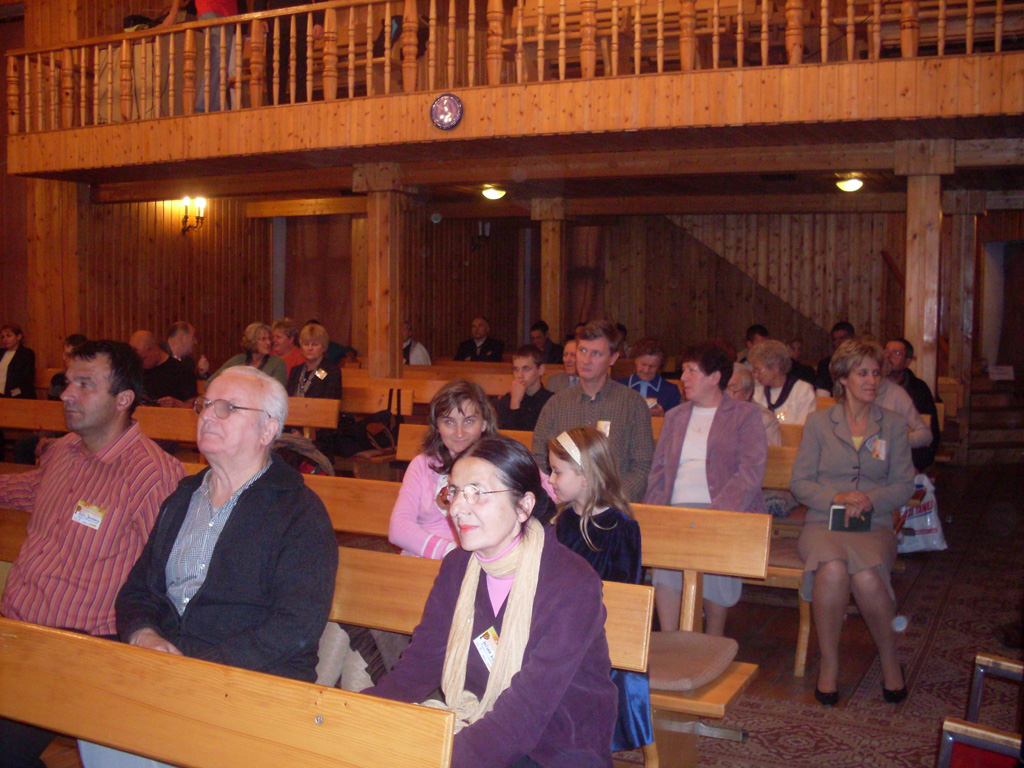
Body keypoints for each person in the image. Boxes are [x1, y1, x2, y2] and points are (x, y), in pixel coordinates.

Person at [78, 366, 337, 767]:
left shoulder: (299, 512)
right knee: (92, 714)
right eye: (205, 405)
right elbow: (138, 591)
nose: (208, 416)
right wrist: (144, 635)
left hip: (253, 682)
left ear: (267, 430)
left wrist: (196, 668)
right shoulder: (183, 497)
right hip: (168, 673)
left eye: (227, 408)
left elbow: (295, 627)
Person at [367, 437, 617, 768]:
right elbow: (421, 662)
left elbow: (526, 711)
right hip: (479, 725)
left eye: (477, 492)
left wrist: (438, 758)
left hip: (555, 750)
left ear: (524, 506)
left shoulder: (571, 584)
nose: (457, 508)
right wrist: (357, 715)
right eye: (455, 492)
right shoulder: (458, 566)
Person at [0, 340, 184, 766]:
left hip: (79, 648)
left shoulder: (153, 475)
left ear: (123, 400)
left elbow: (168, 578)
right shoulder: (64, 451)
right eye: (68, 382)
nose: (66, 394)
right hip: (15, 629)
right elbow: (26, 489)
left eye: (85, 385)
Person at [790, 339, 915, 707]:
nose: (872, 380)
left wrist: (869, 499)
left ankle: (889, 658)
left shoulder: (893, 425)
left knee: (865, 577)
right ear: (842, 378)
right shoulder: (818, 423)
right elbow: (800, 483)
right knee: (831, 570)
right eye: (862, 373)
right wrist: (838, 497)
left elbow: (904, 485)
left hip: (874, 524)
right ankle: (829, 662)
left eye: (876, 373)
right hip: (823, 523)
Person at [643, 341, 768, 636]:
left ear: (714, 377)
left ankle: (713, 638)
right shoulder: (675, 416)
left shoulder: (744, 415)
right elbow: (658, 472)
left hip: (724, 509)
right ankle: (671, 640)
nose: (683, 377)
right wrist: (655, 513)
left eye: (691, 371)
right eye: (683, 370)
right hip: (675, 509)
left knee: (713, 550)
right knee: (666, 559)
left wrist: (716, 513)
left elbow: (750, 471)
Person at [547, 427, 652, 753]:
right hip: (563, 627)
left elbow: (625, 595)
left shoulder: (621, 527)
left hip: (605, 635)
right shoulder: (562, 522)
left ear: (585, 476)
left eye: (557, 471)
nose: (550, 479)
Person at [533, 321, 654, 502]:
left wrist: (610, 502)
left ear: (613, 358)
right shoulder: (556, 405)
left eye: (596, 353)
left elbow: (642, 467)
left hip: (613, 504)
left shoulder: (632, 404)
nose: (586, 360)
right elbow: (540, 459)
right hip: (564, 504)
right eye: (582, 351)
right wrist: (559, 499)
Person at [389, 380, 500, 559]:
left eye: (469, 421)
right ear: (437, 426)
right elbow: (398, 528)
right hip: (422, 560)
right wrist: (450, 553)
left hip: (476, 561)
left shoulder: (501, 465)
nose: (459, 433)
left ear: (484, 423)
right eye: (449, 422)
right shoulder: (422, 465)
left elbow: (544, 493)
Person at [158, 0, 239, 111]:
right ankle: (204, 108)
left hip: (229, 10)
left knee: (221, 62)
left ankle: (218, 106)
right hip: (211, 7)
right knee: (218, 58)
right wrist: (173, 13)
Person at [250, 0, 324, 105]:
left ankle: (301, 105)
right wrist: (261, 16)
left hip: (303, 19)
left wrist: (319, 21)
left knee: (302, 67)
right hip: (276, 20)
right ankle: (275, 106)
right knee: (275, 68)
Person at [885, 337, 941, 471]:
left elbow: (931, 433)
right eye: (886, 351)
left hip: (906, 458)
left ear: (907, 362)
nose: (888, 356)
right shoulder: (871, 388)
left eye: (896, 353)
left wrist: (917, 465)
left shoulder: (918, 389)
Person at [748, 339, 817, 425]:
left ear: (775, 368)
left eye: (758, 370)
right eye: (754, 371)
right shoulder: (756, 391)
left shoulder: (803, 391)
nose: (755, 375)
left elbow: (802, 429)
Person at [129, 330, 197, 407]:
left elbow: (193, 406)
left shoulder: (182, 371)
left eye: (144, 358)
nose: (141, 363)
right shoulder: (135, 370)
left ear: (154, 349)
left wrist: (177, 404)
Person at [617, 337, 681, 417]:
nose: (646, 370)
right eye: (643, 364)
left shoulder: (671, 391)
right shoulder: (619, 386)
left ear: (659, 365)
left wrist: (662, 416)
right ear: (635, 361)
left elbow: (677, 421)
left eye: (652, 366)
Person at [495, 346, 554, 431]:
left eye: (526, 369)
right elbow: (506, 435)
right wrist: (515, 403)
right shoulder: (506, 401)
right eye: (516, 369)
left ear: (541, 370)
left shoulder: (552, 401)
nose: (520, 375)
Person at [212, 321, 288, 386]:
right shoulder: (237, 360)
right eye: (263, 339)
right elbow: (211, 382)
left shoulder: (277, 364)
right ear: (252, 341)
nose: (268, 343)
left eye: (269, 338)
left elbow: (278, 392)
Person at [725, 363, 782, 447]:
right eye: (722, 389)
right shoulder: (713, 414)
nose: (725, 395)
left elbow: (770, 453)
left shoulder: (764, 420)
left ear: (748, 393)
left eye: (732, 389)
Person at [286, 322, 342, 400]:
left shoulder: (331, 371)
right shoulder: (295, 371)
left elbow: (330, 402)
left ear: (323, 347)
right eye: (306, 344)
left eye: (315, 344)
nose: (310, 348)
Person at [814, 321, 855, 396]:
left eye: (842, 338)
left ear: (852, 338)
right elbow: (822, 392)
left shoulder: (860, 361)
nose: (838, 342)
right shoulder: (825, 364)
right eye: (835, 340)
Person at [0, 323, 36, 398]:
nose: (5, 339)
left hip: (18, 395)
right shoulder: (1, 353)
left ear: (19, 336)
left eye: (9, 336)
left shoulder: (26, 354)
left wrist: (11, 394)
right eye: (3, 337)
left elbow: (26, 380)